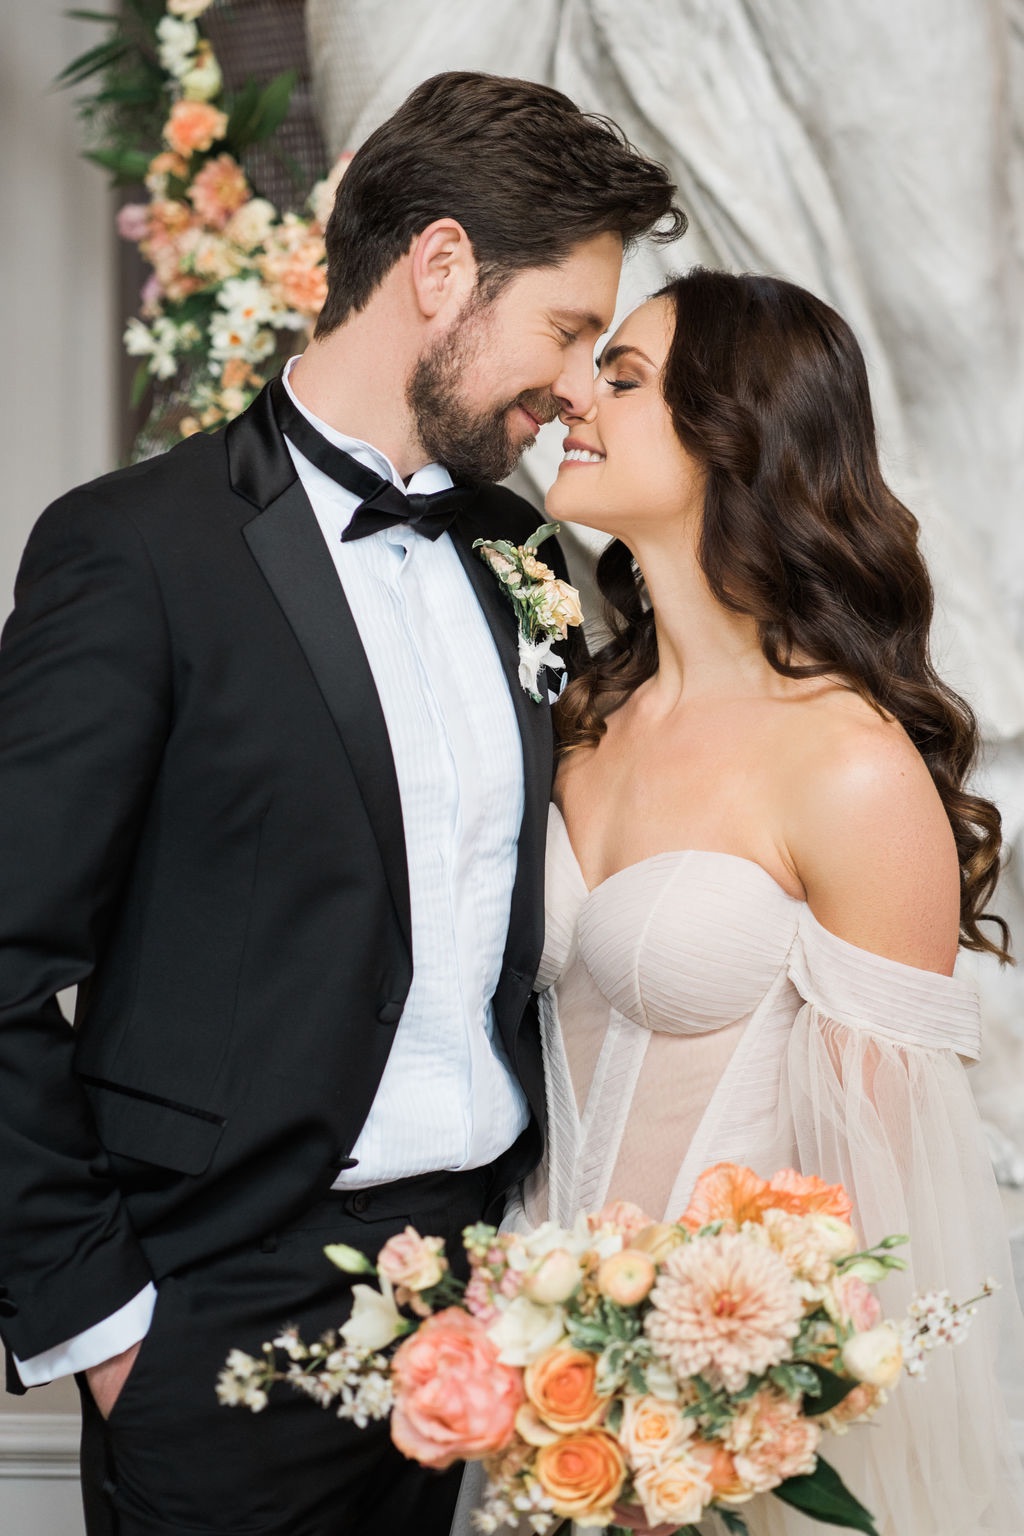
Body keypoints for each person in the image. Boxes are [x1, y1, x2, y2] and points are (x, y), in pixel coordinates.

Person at [0, 71, 683, 1536]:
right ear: (440, 268)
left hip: (496, 1309)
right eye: (568, 329)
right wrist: (106, 1330)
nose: (577, 385)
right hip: (218, 1322)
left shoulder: (523, 556)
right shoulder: (135, 551)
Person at [523, 269, 1024, 1532]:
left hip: (737, 1438)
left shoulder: (846, 760)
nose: (575, 398)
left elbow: (882, 1203)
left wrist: (702, 1424)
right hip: (527, 1394)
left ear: (731, 432)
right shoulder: (574, 721)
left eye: (622, 378)